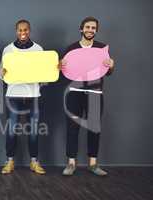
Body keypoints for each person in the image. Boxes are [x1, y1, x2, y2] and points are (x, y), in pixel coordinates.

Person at [60, 16, 115, 176]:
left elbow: (107, 71)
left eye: (93, 28)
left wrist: (111, 66)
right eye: (87, 27)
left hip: (95, 93)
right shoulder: (71, 49)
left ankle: (93, 163)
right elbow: (66, 73)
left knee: (94, 129)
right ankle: (71, 163)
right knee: (72, 128)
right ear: (81, 29)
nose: (90, 30)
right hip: (74, 93)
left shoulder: (102, 48)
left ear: (96, 30)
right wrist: (59, 66)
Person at [0, 19, 46, 175]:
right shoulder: (8, 50)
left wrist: (52, 71)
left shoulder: (38, 49)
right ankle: (10, 161)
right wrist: (1, 74)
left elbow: (43, 75)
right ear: (16, 31)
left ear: (29, 30)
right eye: (20, 30)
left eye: (25, 30)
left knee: (33, 130)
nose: (23, 33)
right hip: (13, 95)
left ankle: (34, 162)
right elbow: (2, 74)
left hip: (33, 95)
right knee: (11, 130)